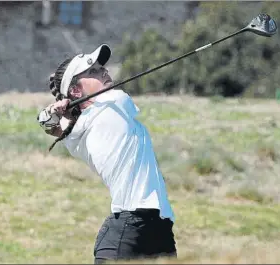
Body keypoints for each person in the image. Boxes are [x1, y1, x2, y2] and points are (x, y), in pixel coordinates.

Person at [37, 44, 177, 264]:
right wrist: (53, 114)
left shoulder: (78, 130)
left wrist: (51, 114)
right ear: (75, 91)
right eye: (92, 71)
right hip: (128, 231)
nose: (104, 71)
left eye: (101, 68)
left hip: (159, 229)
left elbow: (50, 123)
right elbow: (53, 123)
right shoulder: (115, 102)